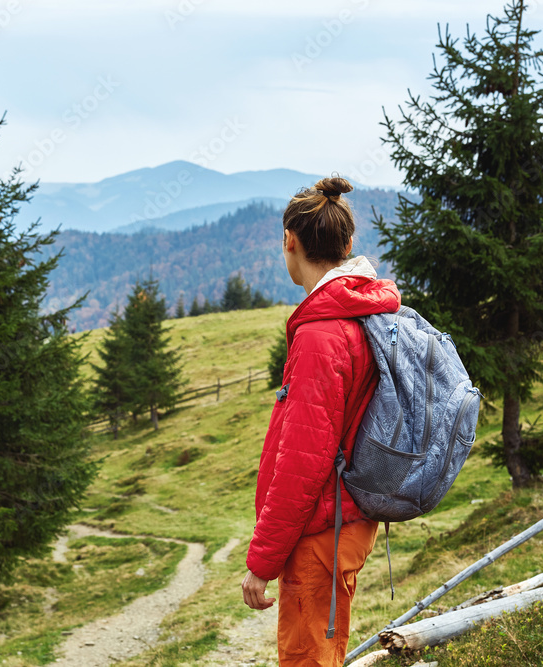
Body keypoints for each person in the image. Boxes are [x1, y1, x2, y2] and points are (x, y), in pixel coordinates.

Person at [240, 176, 401, 666]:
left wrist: (261, 562)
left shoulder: (321, 335)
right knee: (325, 651)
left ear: (290, 242)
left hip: (321, 527)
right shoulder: (363, 312)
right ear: (347, 245)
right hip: (347, 518)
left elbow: (303, 465)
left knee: (307, 658)